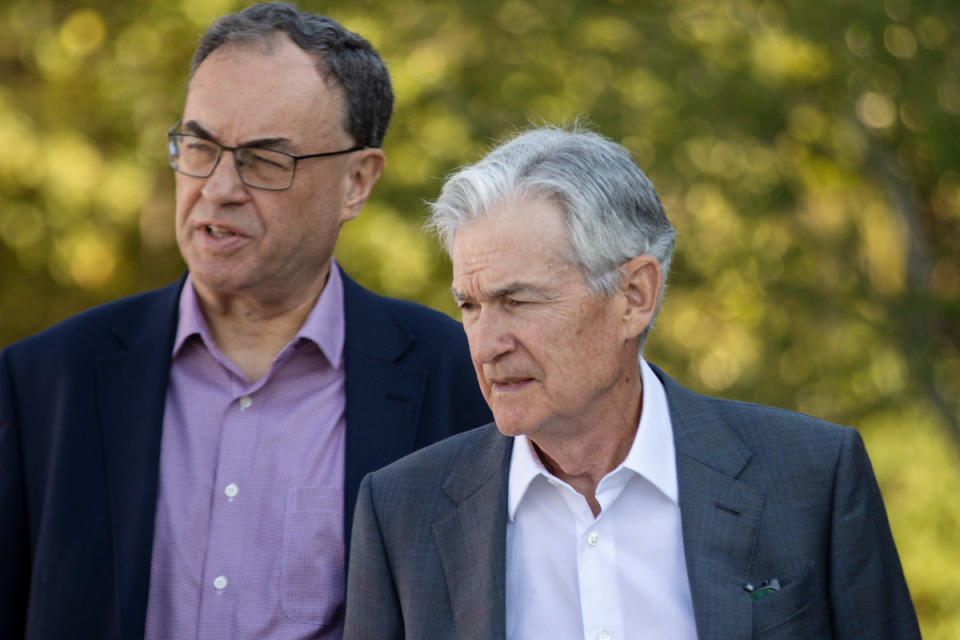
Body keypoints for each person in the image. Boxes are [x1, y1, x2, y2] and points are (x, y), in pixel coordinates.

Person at [0, 3, 491, 639]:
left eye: (264, 159)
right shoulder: (42, 381)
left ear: (357, 182)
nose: (218, 187)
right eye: (199, 146)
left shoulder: (462, 382)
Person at [343, 126, 921, 640]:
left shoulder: (812, 479)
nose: (486, 343)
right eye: (470, 306)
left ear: (634, 297)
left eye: (517, 300)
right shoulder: (402, 512)